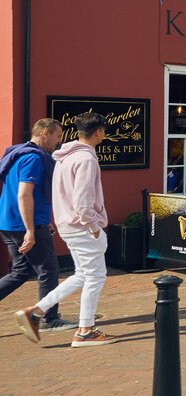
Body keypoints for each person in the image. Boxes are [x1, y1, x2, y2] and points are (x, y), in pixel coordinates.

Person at [15, 113, 117, 346]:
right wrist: (94, 227)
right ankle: (85, 330)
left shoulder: (63, 156)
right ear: (98, 132)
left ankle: (36, 312)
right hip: (82, 227)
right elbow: (83, 202)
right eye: (103, 130)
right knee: (95, 277)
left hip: (67, 225)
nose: (104, 134)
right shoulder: (86, 159)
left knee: (82, 275)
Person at [0, 118, 74, 332]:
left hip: (9, 222)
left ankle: (48, 317)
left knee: (21, 271)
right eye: (57, 136)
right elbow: (24, 195)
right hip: (24, 225)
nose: (58, 141)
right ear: (45, 133)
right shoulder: (33, 158)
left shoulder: (16, 154)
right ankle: (49, 319)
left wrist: (44, 219)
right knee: (48, 270)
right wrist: (31, 230)